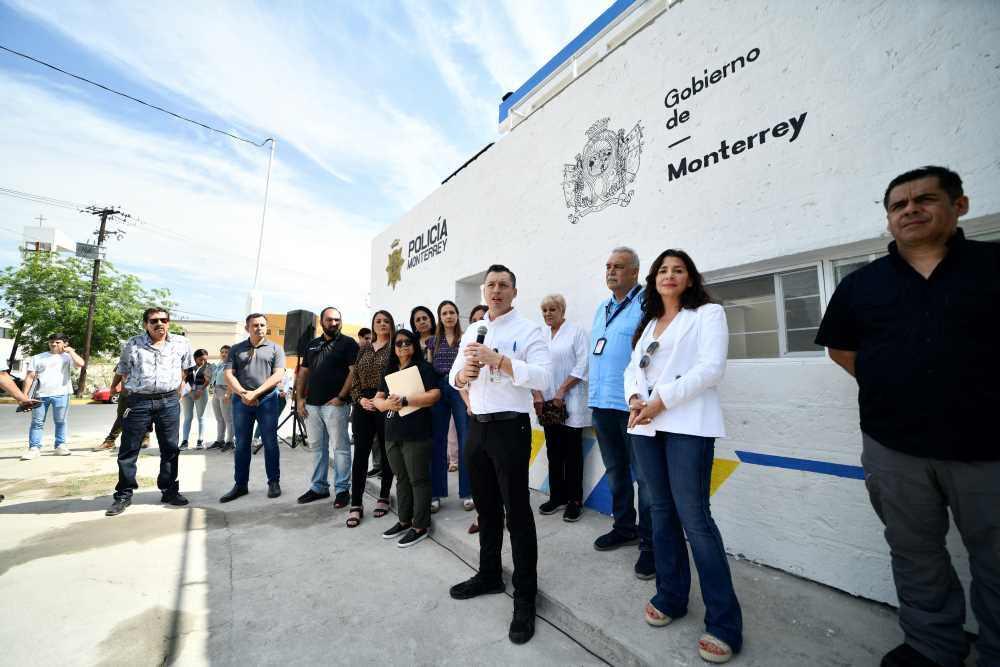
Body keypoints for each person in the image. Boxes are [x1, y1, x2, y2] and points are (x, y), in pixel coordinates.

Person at [816, 166, 1000, 667]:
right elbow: (841, 349)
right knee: (915, 552)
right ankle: (931, 645)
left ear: (959, 205)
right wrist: (898, 387)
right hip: (893, 446)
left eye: (925, 199)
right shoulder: (862, 284)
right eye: (899, 205)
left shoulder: (992, 264)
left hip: (988, 448)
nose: (911, 210)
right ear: (889, 220)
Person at [624, 249, 742, 664]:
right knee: (660, 511)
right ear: (654, 280)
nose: (669, 275)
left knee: (695, 518)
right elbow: (632, 370)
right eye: (663, 270)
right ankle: (672, 596)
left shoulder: (707, 314)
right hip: (647, 426)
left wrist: (660, 401)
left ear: (690, 279)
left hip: (687, 425)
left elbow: (712, 369)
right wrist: (637, 397)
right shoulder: (650, 323)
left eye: (678, 270)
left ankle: (724, 623)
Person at [448, 264, 551, 645]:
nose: (495, 290)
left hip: (510, 427)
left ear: (514, 291)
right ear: (483, 292)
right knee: (486, 509)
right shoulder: (475, 330)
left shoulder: (528, 330)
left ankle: (526, 596)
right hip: (478, 426)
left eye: (503, 285)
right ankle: (489, 573)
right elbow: (453, 376)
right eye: (490, 285)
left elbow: (543, 376)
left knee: (517, 512)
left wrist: (500, 361)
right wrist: (463, 376)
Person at [588, 246, 655, 579]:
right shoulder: (602, 308)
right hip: (602, 404)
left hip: (632, 405)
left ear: (634, 272)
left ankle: (650, 544)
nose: (611, 271)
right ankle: (624, 526)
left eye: (619, 266)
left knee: (645, 477)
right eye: (608, 265)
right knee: (615, 471)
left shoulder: (647, 305)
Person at [105, 307, 194, 516]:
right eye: (154, 321)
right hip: (138, 402)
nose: (159, 324)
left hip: (169, 401)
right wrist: (124, 388)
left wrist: (178, 389)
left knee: (171, 448)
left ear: (169, 323)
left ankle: (169, 490)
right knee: (129, 449)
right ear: (146, 324)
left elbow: (185, 368)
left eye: (164, 320)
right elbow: (123, 370)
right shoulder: (133, 344)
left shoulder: (182, 343)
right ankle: (124, 494)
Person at [375, 328, 441, 547]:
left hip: (416, 432)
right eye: (399, 343)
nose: (403, 346)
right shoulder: (389, 371)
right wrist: (385, 404)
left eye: (407, 342)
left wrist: (405, 401)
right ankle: (404, 520)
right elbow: (378, 400)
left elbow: (434, 395)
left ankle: (420, 525)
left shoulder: (424, 368)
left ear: (414, 345)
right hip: (392, 432)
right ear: (393, 348)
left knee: (418, 480)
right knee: (401, 479)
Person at [532, 294, 590, 522]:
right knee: (553, 452)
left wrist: (561, 391)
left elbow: (583, 364)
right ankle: (557, 496)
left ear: (562, 310)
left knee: (572, 454)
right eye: (544, 310)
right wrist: (537, 393)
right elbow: (534, 365)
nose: (548, 314)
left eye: (552, 309)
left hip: (571, 402)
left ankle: (575, 500)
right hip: (547, 404)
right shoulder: (541, 335)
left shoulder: (576, 332)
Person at [295, 307, 358, 509]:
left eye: (337, 320)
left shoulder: (348, 344)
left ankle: (342, 490)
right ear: (321, 322)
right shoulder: (312, 345)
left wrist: (341, 397)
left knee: (340, 448)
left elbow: (353, 372)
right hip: (312, 406)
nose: (333, 323)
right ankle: (319, 487)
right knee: (317, 448)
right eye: (329, 320)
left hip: (335, 406)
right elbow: (303, 373)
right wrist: (299, 399)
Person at [221, 313, 286, 502]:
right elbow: (228, 374)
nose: (259, 328)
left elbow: (278, 375)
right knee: (241, 444)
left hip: (267, 400)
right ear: (247, 328)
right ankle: (240, 485)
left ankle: (273, 482)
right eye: (255, 325)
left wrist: (256, 393)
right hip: (241, 401)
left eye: (263, 325)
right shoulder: (236, 349)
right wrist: (243, 394)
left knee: (270, 442)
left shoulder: (275, 348)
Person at [345, 310, 395, 527]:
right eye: (378, 321)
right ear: (373, 325)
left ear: (391, 325)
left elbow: (397, 376)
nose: (382, 324)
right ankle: (356, 503)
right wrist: (358, 399)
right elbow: (354, 377)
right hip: (363, 404)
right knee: (361, 454)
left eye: (386, 321)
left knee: (386, 452)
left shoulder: (395, 348)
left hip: (385, 402)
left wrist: (380, 398)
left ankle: (384, 496)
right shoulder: (363, 348)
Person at [428, 300, 472, 513]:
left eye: (452, 312)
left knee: (465, 440)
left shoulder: (465, 339)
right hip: (438, 388)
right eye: (444, 313)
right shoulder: (432, 341)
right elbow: (428, 368)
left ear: (457, 315)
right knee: (438, 440)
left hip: (460, 388)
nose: (448, 316)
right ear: (440, 317)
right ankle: (435, 494)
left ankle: (468, 492)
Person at [20, 333, 84, 460]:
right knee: (37, 422)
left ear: (65, 343)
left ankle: (60, 446)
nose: (54, 344)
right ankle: (34, 448)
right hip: (39, 395)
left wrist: (70, 351)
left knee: (60, 422)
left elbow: (80, 363)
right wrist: (24, 396)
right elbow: (30, 377)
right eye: (51, 342)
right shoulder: (38, 357)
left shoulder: (67, 357)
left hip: (62, 394)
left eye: (58, 342)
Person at [465, 303, 488, 535]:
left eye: (484, 318)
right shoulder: (469, 344)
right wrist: (469, 404)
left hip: (500, 418)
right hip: (474, 413)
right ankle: (482, 513)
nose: (481, 322)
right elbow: (460, 381)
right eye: (476, 319)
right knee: (479, 471)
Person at [94, 372, 152, 451]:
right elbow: (119, 371)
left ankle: (145, 437)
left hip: (146, 392)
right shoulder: (126, 359)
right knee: (121, 417)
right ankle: (110, 441)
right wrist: (113, 386)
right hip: (126, 392)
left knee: (146, 415)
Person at [180, 348, 211, 450]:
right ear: (195, 358)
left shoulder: (208, 366)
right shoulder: (188, 366)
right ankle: (184, 441)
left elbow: (207, 380)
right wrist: (182, 390)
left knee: (201, 417)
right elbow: (183, 379)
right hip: (187, 391)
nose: (203, 362)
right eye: (200, 359)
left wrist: (200, 390)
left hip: (200, 391)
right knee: (188, 417)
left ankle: (200, 440)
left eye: (205, 360)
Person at [208, 345, 234, 450]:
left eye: (226, 352)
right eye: (222, 352)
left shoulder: (231, 365)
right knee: (219, 419)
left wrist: (228, 393)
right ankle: (220, 440)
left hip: (225, 391)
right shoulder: (220, 364)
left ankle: (230, 441)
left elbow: (232, 380)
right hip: (216, 391)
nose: (223, 354)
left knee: (228, 419)